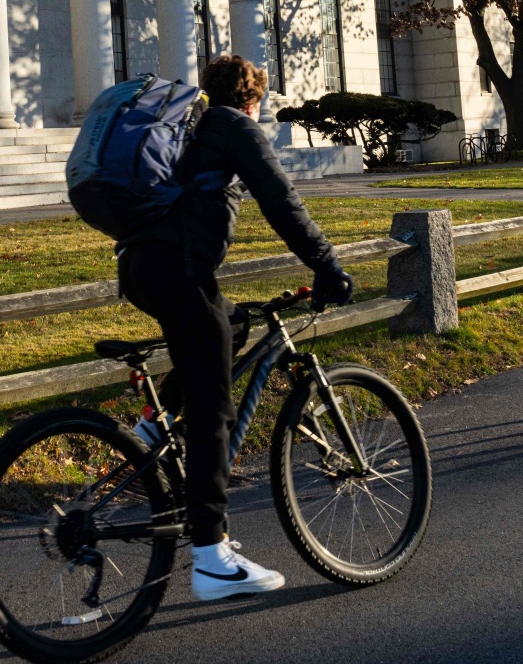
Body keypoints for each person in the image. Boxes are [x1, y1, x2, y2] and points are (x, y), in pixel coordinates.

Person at [116, 54, 353, 602]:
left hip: (142, 264)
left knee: (231, 322)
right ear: (255, 98)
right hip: (177, 267)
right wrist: (326, 265)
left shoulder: (195, 125)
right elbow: (280, 200)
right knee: (214, 412)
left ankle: (156, 423)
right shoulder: (235, 126)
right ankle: (211, 557)